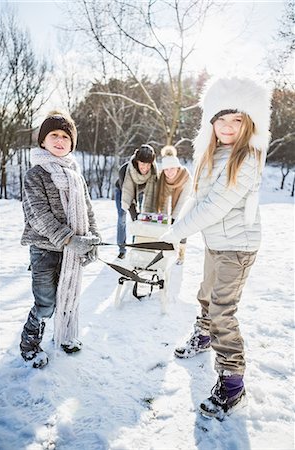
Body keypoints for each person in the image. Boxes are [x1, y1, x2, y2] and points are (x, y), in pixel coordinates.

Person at [161, 77, 272, 419]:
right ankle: (204, 335)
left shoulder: (248, 158)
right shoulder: (211, 154)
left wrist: (178, 234)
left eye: (236, 120)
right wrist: (174, 228)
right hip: (216, 241)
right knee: (207, 294)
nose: (227, 126)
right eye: (221, 120)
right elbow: (197, 199)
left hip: (237, 246)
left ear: (248, 123)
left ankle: (232, 381)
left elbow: (215, 206)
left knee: (224, 309)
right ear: (211, 123)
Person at [20, 111, 101, 368]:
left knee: (69, 297)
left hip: (71, 251)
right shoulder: (36, 175)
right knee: (46, 304)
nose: (59, 140)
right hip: (44, 250)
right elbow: (38, 215)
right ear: (43, 141)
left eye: (65, 136)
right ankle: (29, 342)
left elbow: (87, 210)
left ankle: (66, 334)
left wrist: (94, 238)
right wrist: (69, 240)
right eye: (53, 135)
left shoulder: (76, 175)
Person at [115, 144, 158, 259]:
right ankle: (122, 249)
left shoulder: (153, 172)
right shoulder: (124, 170)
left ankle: (136, 246)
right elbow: (128, 196)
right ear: (137, 161)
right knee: (122, 219)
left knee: (140, 220)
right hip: (123, 191)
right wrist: (135, 214)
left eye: (148, 164)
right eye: (142, 164)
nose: (145, 168)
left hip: (140, 192)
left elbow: (156, 191)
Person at [156, 145, 192, 264]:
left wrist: (174, 219)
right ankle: (166, 247)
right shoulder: (163, 179)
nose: (169, 172)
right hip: (176, 201)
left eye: (172, 168)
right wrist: (166, 219)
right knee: (165, 222)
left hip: (187, 202)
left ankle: (181, 254)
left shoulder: (185, 177)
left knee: (182, 225)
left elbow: (183, 202)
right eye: (166, 169)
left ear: (177, 167)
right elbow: (164, 200)